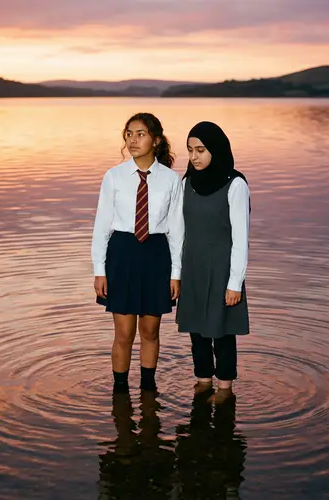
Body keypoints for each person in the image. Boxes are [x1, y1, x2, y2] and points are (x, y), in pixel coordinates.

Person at [91, 112, 184, 393]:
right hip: (122, 253)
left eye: (140, 134)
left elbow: (178, 230)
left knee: (150, 332)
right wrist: (99, 269)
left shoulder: (170, 179)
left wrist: (176, 273)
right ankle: (119, 392)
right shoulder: (114, 176)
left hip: (157, 255)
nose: (133, 139)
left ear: (155, 140)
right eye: (129, 134)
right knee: (123, 333)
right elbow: (101, 225)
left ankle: (148, 390)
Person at [176, 121, 250, 404]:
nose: (194, 156)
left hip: (222, 269)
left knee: (222, 330)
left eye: (200, 150)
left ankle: (225, 387)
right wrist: (177, 273)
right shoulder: (187, 183)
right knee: (197, 329)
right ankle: (203, 380)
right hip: (193, 266)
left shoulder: (235, 184)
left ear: (215, 150)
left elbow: (241, 238)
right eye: (190, 150)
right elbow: (179, 231)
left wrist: (235, 283)